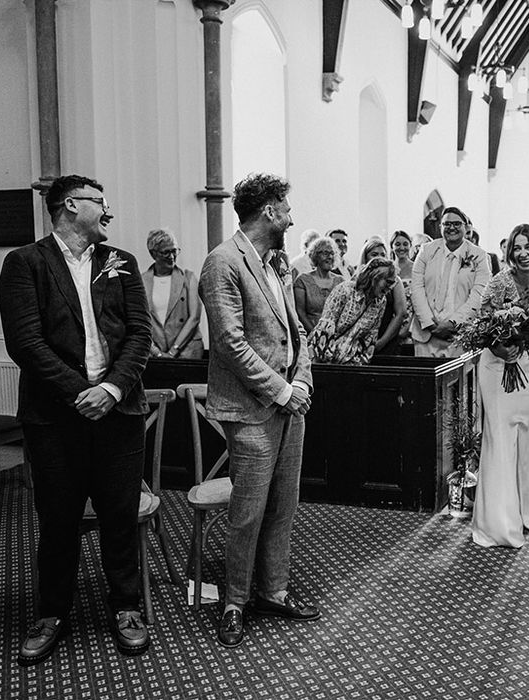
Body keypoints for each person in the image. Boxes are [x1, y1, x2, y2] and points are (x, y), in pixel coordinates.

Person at [0, 174, 152, 665]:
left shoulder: (121, 263)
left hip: (118, 413)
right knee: (58, 519)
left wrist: (110, 389)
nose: (108, 212)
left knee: (120, 517)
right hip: (55, 419)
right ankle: (51, 613)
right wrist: (80, 393)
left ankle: (127, 608)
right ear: (71, 205)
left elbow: (140, 336)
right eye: (100, 203)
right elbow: (26, 343)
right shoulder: (25, 263)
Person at [199, 173, 317, 649]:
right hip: (250, 410)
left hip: (291, 405)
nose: (292, 215)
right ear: (269, 211)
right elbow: (230, 343)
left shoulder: (277, 263)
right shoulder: (222, 262)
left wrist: (303, 380)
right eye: (286, 207)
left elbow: (297, 333)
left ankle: (274, 591)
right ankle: (234, 602)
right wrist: (282, 391)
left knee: (283, 506)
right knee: (247, 512)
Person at [472, 224, 529, 548]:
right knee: (500, 439)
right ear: (509, 252)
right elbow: (480, 326)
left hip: (527, 367)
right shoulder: (499, 281)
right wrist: (499, 346)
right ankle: (498, 524)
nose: (522, 253)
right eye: (517, 247)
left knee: (524, 435)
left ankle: (523, 510)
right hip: (496, 365)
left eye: (528, 246)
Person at [410, 207, 490, 358]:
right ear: (440, 227)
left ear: (466, 227)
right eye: (447, 224)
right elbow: (416, 288)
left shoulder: (479, 256)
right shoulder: (426, 251)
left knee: (457, 381)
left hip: (460, 336)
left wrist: (453, 323)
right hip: (426, 333)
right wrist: (429, 323)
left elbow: (479, 295)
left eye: (457, 224)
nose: (451, 227)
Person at [308, 258, 398, 365]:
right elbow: (325, 328)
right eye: (388, 282)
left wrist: (359, 364)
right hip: (320, 360)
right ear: (374, 277)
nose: (390, 288)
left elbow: (370, 338)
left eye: (392, 284)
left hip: (350, 364)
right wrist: (327, 365)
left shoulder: (380, 302)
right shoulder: (345, 290)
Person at [141, 228, 203, 360]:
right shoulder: (141, 281)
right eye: (165, 252)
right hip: (154, 354)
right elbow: (139, 322)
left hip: (187, 351)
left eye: (174, 251)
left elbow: (194, 318)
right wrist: (156, 352)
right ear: (153, 254)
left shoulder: (189, 278)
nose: (171, 256)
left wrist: (173, 351)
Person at [358, 237, 406, 355]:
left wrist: (382, 341)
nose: (379, 258)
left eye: (383, 255)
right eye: (374, 254)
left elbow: (400, 313)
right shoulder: (357, 280)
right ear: (365, 257)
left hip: (386, 337)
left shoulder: (395, 281)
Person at [293, 237, 344, 334]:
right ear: (315, 255)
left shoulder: (340, 281)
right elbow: (300, 312)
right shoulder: (302, 280)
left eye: (332, 253)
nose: (330, 257)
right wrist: (316, 334)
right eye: (325, 253)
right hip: (309, 335)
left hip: (335, 337)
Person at [390, 230, 415, 346]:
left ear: (410, 245)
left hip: (412, 321)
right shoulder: (388, 269)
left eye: (405, 244)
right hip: (391, 321)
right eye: (397, 244)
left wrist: (409, 326)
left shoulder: (417, 268)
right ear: (392, 246)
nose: (402, 248)